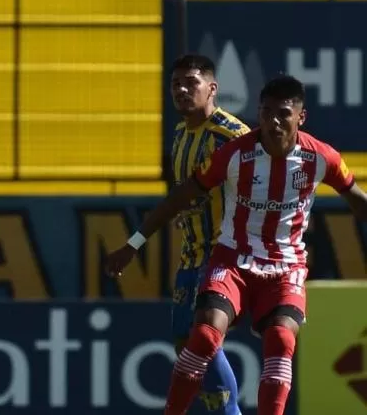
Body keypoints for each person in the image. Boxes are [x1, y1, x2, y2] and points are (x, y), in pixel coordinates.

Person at [105, 75, 367, 415]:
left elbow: (357, 201)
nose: (273, 121)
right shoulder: (234, 154)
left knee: (282, 340)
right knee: (203, 335)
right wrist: (134, 243)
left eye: (283, 113)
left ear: (301, 117)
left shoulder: (322, 158)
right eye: (265, 111)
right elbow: (182, 196)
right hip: (232, 260)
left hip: (286, 268)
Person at [164, 54, 249, 414]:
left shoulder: (234, 136)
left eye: (191, 83)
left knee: (202, 338)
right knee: (184, 341)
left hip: (223, 252)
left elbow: (261, 188)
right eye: (176, 85)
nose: (182, 90)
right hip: (191, 250)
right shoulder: (182, 132)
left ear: (212, 88)